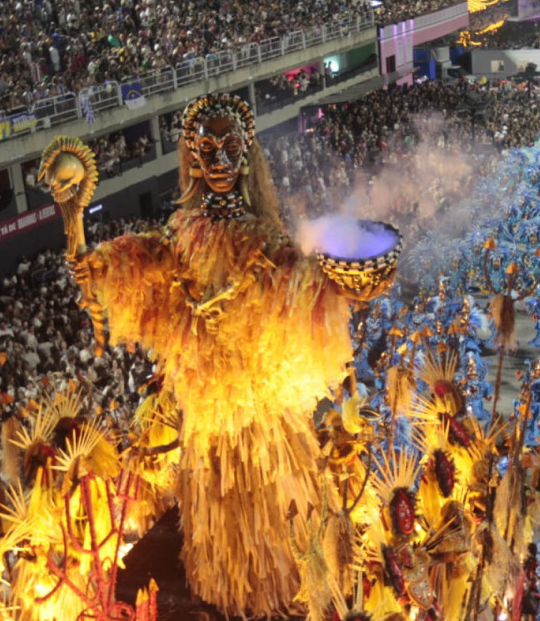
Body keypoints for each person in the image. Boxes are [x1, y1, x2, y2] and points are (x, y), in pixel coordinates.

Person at [39, 94, 399, 617]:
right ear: (192, 159)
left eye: (231, 148)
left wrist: (334, 282)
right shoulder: (182, 230)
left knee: (272, 494)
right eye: (208, 150)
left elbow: (293, 281)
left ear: (247, 155)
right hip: (209, 403)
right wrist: (100, 263)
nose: (221, 162)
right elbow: (150, 255)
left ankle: (283, 587)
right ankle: (231, 587)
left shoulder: (261, 234)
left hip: (257, 399)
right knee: (218, 502)